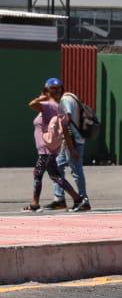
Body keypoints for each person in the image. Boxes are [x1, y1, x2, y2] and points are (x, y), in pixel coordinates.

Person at [26, 78, 83, 213]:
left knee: (39, 174)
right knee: (55, 176)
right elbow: (65, 131)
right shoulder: (58, 108)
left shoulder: (47, 105)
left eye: (58, 89)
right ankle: (77, 199)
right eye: (53, 88)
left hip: (45, 150)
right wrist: (71, 149)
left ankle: (35, 204)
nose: (56, 91)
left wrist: (42, 97)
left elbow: (31, 104)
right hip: (50, 150)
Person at [51, 79, 92, 211]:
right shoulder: (71, 97)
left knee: (76, 170)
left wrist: (69, 144)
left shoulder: (65, 100)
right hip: (70, 140)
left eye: (54, 90)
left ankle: (83, 200)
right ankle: (59, 199)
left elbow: (67, 119)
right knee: (57, 166)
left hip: (73, 140)